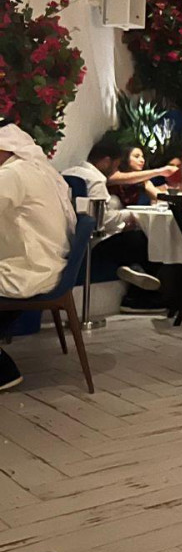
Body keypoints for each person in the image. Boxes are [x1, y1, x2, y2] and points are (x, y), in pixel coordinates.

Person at [0, 121, 75, 391]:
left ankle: (3, 370)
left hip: (30, 270)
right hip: (47, 264)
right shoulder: (36, 169)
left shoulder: (13, 174)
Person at [63, 139, 165, 311]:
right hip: (93, 243)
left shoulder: (71, 173)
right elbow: (99, 219)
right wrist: (129, 216)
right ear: (106, 161)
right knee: (146, 240)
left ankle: (134, 270)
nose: (115, 171)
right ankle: (140, 299)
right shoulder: (95, 180)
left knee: (133, 241)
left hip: (72, 240)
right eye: (116, 165)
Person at [108, 145, 175, 207]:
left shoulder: (144, 180)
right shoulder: (114, 174)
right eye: (136, 156)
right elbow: (125, 178)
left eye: (142, 157)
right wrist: (161, 171)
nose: (142, 160)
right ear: (126, 158)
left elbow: (160, 197)